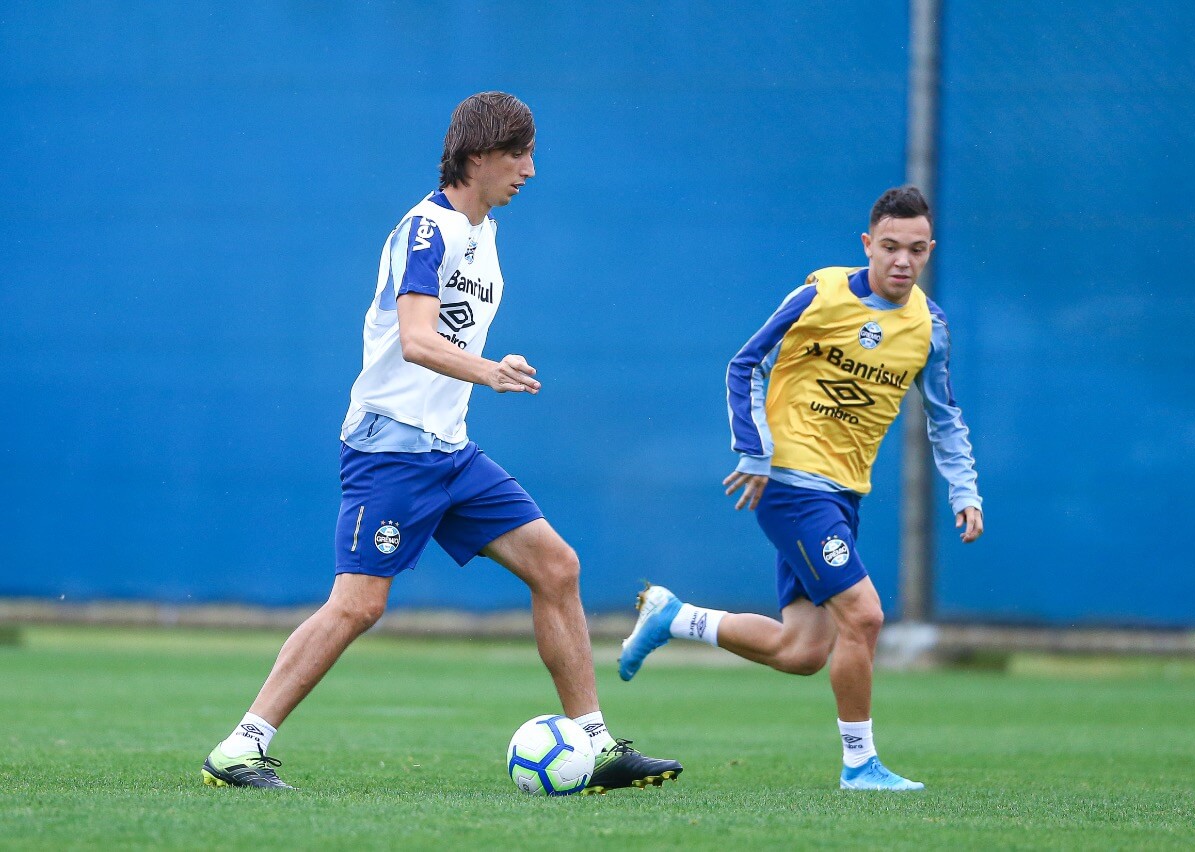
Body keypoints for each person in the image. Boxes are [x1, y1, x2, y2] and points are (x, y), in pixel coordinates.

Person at [201, 92, 682, 793]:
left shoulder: (483, 232)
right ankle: (239, 748)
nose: (530, 170)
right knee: (358, 605)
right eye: (519, 155)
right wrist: (492, 371)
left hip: (448, 450)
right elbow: (418, 340)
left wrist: (486, 373)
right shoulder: (427, 231)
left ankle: (596, 745)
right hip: (391, 449)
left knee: (557, 566)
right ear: (478, 156)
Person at [618, 186, 982, 791]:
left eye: (915, 251)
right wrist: (756, 452)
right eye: (889, 247)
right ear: (868, 244)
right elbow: (745, 364)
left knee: (803, 650)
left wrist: (963, 491)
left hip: (843, 493)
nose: (901, 261)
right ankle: (861, 765)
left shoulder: (929, 326)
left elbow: (944, 416)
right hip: (790, 484)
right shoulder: (820, 295)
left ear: (929, 251)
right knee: (864, 617)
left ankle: (676, 617)